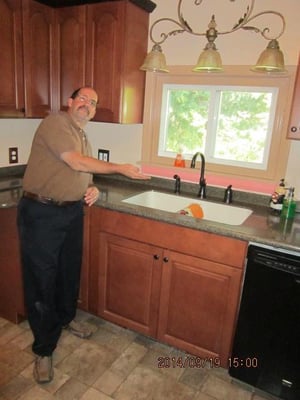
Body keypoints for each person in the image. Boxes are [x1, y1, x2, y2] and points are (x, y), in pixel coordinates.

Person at [17, 87, 149, 384]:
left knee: (68, 273)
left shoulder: (83, 135)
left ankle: (64, 321)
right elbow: (75, 161)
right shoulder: (56, 123)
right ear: (70, 102)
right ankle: (43, 349)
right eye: (83, 100)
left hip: (71, 212)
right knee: (42, 281)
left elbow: (82, 171)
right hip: (41, 213)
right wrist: (121, 169)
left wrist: (93, 188)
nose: (87, 106)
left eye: (93, 103)